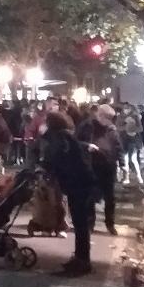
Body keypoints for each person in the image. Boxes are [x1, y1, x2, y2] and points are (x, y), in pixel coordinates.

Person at [40, 111, 97, 275]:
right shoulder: (65, 136)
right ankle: (80, 257)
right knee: (80, 224)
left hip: (77, 184)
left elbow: (56, 158)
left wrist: (45, 167)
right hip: (79, 183)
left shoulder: (60, 138)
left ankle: (82, 261)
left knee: (80, 224)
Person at [79, 104, 121, 235]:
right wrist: (87, 146)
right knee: (90, 196)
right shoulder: (87, 126)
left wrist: (122, 163)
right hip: (92, 165)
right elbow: (76, 142)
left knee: (110, 198)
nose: (109, 122)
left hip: (109, 166)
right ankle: (90, 223)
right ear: (100, 115)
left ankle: (110, 224)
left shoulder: (111, 129)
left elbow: (118, 146)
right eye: (107, 118)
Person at [119, 106, 144, 185]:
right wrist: (126, 127)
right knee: (125, 158)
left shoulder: (135, 117)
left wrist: (132, 128)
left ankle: (138, 176)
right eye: (125, 108)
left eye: (128, 108)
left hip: (133, 140)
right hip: (124, 139)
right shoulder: (121, 117)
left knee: (133, 158)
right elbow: (118, 127)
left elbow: (140, 128)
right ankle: (127, 177)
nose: (126, 110)